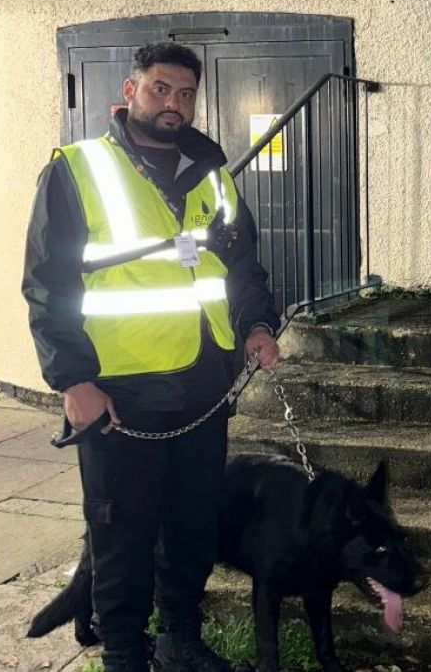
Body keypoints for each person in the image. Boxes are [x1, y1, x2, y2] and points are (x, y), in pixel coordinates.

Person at [22, 42, 281, 672]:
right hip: (119, 393)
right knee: (122, 537)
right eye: (161, 88)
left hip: (202, 388)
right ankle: (124, 654)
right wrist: (73, 379)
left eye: (186, 93)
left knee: (192, 530)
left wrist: (256, 324)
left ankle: (180, 639)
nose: (175, 103)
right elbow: (49, 283)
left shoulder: (212, 174)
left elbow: (239, 264)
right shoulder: (78, 170)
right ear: (131, 91)